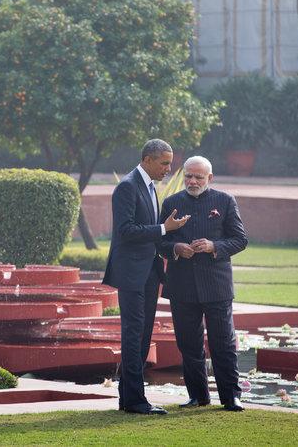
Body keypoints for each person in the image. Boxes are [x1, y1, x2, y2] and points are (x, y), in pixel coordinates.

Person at [103, 139, 190, 414]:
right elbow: (126, 230)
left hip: (149, 273)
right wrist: (164, 229)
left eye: (170, 163)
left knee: (141, 335)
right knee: (133, 335)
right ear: (147, 160)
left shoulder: (150, 187)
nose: (168, 168)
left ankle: (130, 398)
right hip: (131, 274)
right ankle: (135, 400)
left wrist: (165, 232)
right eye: (164, 163)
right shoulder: (127, 187)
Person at [158, 156, 248, 412]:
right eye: (188, 176)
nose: (193, 181)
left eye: (199, 177)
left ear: (210, 178)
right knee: (188, 344)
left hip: (216, 286)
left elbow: (240, 240)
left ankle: (231, 397)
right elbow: (159, 241)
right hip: (182, 286)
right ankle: (198, 396)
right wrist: (175, 247)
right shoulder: (172, 203)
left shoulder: (225, 201)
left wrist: (213, 246)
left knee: (223, 343)